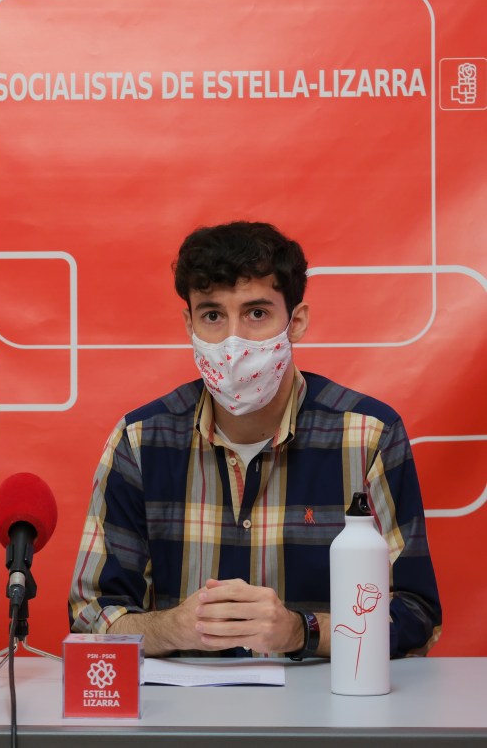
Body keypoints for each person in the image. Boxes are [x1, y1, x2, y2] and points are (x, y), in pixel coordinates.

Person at [69, 221, 441, 659]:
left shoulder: (369, 436)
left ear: (295, 322)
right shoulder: (140, 441)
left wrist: (301, 631)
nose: (233, 342)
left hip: (326, 701)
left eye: (257, 314)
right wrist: (174, 628)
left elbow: (415, 615)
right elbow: (90, 618)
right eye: (212, 316)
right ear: (189, 324)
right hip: (181, 704)